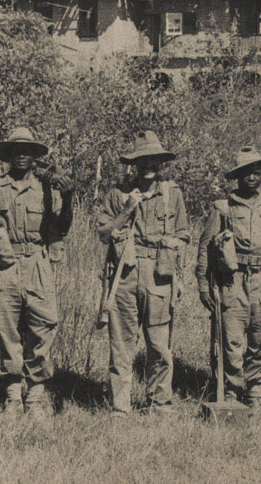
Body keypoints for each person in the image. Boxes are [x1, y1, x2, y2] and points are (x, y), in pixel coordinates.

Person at [0, 127, 74, 418]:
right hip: (6, 266)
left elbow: (60, 229)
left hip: (37, 262)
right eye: (15, 151)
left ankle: (36, 397)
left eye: (27, 151)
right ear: (7, 156)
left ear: (34, 157)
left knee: (44, 327)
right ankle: (12, 397)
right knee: (8, 332)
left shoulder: (47, 188)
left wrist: (68, 198)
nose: (21, 155)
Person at [96, 131, 189, 417]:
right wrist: (127, 210)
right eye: (143, 160)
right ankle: (121, 407)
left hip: (159, 275)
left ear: (161, 163)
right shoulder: (118, 194)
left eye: (154, 160)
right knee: (122, 344)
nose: (149, 165)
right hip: (125, 275)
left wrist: (179, 275)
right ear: (135, 164)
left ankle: (159, 403)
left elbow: (184, 235)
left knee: (159, 344)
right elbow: (102, 233)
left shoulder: (172, 194)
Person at [195, 147, 261, 407]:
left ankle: (254, 391)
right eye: (246, 172)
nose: (252, 177)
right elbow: (205, 248)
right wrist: (203, 286)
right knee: (231, 339)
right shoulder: (223, 208)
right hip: (233, 281)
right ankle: (230, 392)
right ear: (238, 176)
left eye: (257, 172)